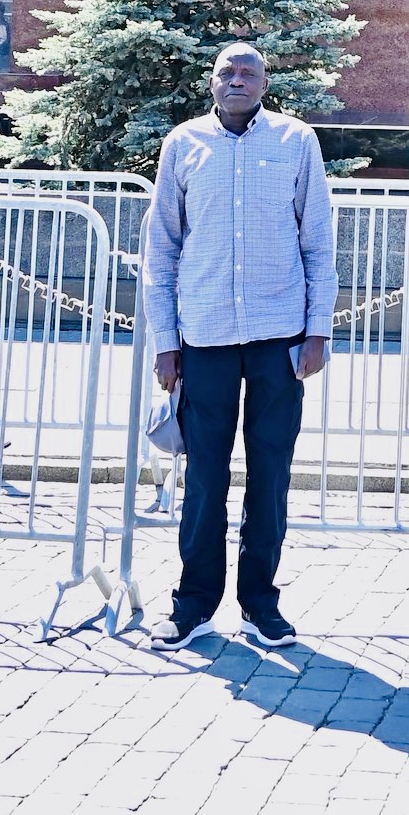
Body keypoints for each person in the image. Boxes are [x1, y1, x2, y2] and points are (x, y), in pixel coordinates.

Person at [142, 42, 337, 651]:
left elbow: (318, 241)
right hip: (204, 336)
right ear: (211, 81)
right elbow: (162, 249)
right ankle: (194, 603)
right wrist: (165, 342)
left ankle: (260, 604)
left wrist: (319, 328)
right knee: (203, 477)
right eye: (227, 70)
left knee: (271, 474)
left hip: (279, 334)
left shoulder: (296, 141)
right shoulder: (183, 145)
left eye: (248, 71)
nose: (237, 78)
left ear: (264, 82)